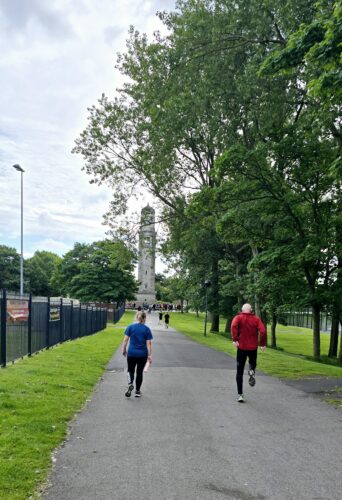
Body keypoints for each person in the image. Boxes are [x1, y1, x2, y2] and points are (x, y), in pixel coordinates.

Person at [231, 303, 266, 403]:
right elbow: (263, 331)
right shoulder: (256, 319)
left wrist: (235, 339)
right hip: (252, 348)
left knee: (239, 371)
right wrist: (262, 344)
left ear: (242, 310)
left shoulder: (238, 317)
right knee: (253, 362)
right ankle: (251, 370)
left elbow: (233, 325)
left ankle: (240, 395)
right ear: (251, 310)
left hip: (241, 347)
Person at [122, 310, 153, 398]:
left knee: (130, 370)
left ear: (137, 317)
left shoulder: (130, 327)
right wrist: (149, 355)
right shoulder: (147, 329)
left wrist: (124, 349)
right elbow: (149, 343)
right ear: (144, 318)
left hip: (131, 353)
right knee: (139, 372)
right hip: (142, 354)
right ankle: (137, 391)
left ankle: (130, 383)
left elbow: (125, 340)